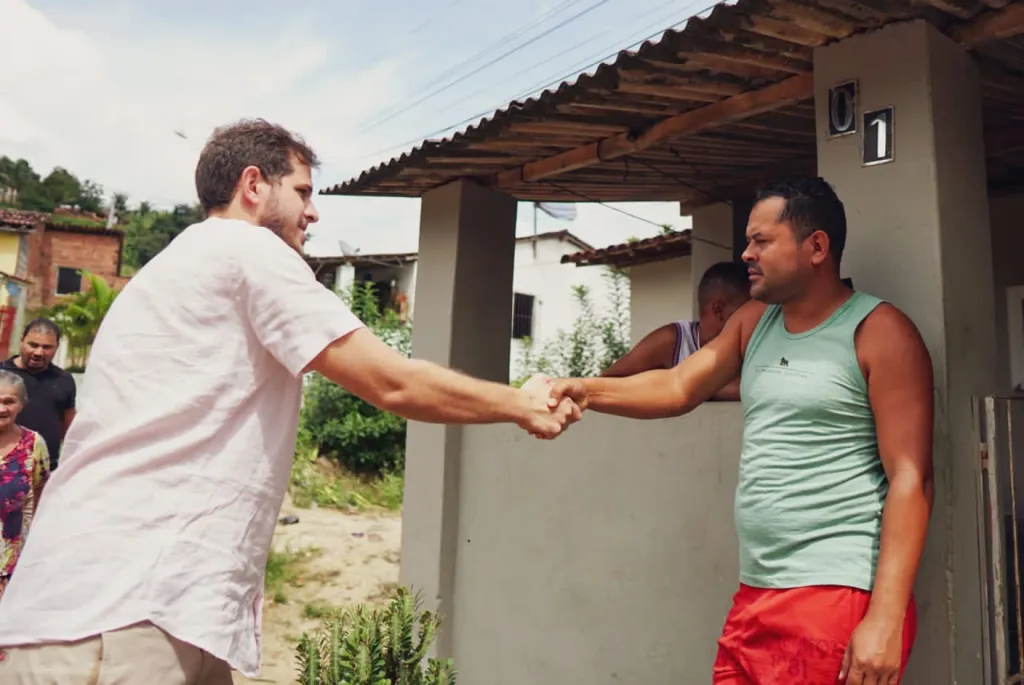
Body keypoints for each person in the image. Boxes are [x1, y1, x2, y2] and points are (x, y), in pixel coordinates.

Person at [0, 118, 579, 683]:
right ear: (253, 185)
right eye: (302, 191)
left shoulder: (174, 266)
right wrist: (521, 403)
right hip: (123, 612)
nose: (313, 211)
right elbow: (392, 382)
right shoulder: (247, 250)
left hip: (136, 605)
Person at [548, 177, 933, 685]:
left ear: (817, 247)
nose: (747, 254)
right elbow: (678, 385)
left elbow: (911, 479)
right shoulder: (755, 322)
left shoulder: (879, 332)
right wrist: (584, 389)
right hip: (757, 589)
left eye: (761, 241)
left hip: (835, 594)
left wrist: (885, 617)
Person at [601, 261, 750, 400]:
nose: (754, 320)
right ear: (718, 310)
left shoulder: (751, 346)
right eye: (746, 312)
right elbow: (604, 386)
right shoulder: (673, 341)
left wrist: (700, 387)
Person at [0, 370, 50, 602]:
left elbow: (41, 496)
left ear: (21, 404)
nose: (2, 409)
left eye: (9, 401)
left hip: (10, 564)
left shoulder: (33, 444)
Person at [1, 319, 76, 471]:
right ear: (22, 341)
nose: (38, 352)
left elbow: (69, 431)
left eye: (47, 347)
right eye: (33, 345)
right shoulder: (2, 374)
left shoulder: (64, 380)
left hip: (46, 469)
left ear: (56, 347)